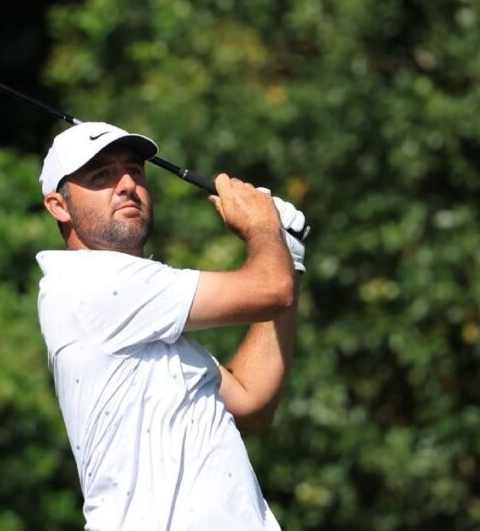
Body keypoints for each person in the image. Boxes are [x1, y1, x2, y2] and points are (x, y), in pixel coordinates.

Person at [35, 122, 307, 530]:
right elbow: (272, 289)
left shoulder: (149, 319)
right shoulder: (89, 284)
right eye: (101, 175)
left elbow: (252, 403)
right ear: (59, 205)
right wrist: (263, 227)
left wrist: (287, 254)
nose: (127, 183)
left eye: (135, 170)